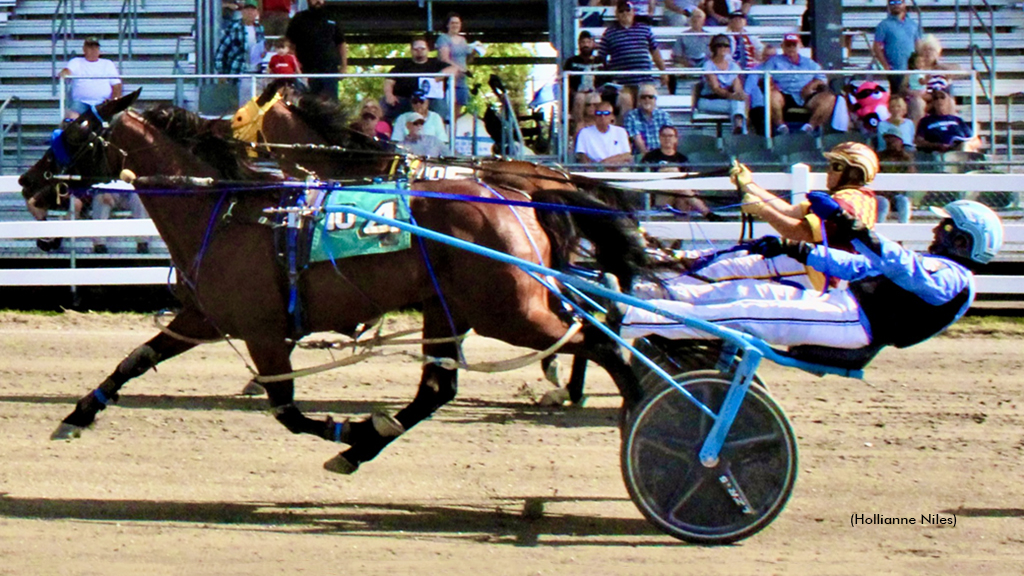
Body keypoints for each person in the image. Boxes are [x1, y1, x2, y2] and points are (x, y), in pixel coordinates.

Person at [620, 199, 1002, 351]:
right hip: (838, 305)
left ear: (964, 243)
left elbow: (902, 266)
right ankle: (638, 297)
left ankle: (622, 321)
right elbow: (857, 266)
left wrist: (846, 222)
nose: (938, 231)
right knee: (735, 295)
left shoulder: (954, 279)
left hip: (853, 323)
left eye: (947, 228)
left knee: (739, 315)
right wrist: (794, 249)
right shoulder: (934, 267)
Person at [666, 142, 881, 290]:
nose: (828, 171)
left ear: (854, 172)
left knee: (724, 269)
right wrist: (749, 185)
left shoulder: (846, 201)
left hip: (814, 272)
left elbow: (800, 232)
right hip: (810, 265)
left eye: (836, 166)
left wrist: (762, 209)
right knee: (726, 259)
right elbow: (790, 211)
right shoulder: (856, 197)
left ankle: (664, 293)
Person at [597, 0, 667, 115]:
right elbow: (601, 58)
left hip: (644, 79)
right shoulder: (609, 33)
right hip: (621, 81)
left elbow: (655, 51)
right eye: (621, 11)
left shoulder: (644, 29)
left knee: (646, 101)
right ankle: (626, 132)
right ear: (617, 14)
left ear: (633, 12)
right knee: (626, 103)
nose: (625, 13)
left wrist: (663, 72)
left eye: (627, 10)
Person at [761, 33, 834, 134]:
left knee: (829, 98)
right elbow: (764, 77)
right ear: (782, 46)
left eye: (793, 45)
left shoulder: (810, 63)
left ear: (799, 46)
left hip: (805, 95)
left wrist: (811, 86)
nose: (791, 48)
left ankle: (810, 127)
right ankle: (781, 127)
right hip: (783, 94)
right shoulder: (773, 61)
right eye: (788, 45)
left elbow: (822, 79)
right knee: (771, 95)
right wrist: (771, 85)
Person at [641, 125, 714, 218]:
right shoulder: (650, 157)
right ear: (659, 138)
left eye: (670, 136)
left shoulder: (682, 159)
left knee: (682, 198)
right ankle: (706, 213)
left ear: (676, 139)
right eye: (664, 136)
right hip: (659, 197)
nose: (667, 139)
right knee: (674, 173)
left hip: (680, 195)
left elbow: (690, 181)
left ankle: (684, 229)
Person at [382, 36, 459, 121]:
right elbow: (389, 81)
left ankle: (439, 130)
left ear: (427, 50)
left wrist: (441, 74)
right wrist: (389, 94)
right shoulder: (402, 65)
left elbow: (454, 69)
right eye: (416, 49)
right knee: (384, 102)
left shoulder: (436, 64)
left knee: (440, 103)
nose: (419, 51)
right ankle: (384, 131)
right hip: (407, 100)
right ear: (411, 50)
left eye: (422, 48)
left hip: (431, 100)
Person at [285, 0, 347, 100]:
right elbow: (289, 44)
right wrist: (295, 67)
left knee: (330, 106)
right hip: (306, 72)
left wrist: (344, 66)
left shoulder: (332, 17)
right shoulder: (298, 19)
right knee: (307, 106)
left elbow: (341, 43)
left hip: (329, 72)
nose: (318, 1)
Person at [215, 0, 265, 106]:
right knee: (239, 105)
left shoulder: (260, 29)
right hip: (239, 72)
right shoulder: (234, 28)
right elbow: (221, 51)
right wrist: (221, 72)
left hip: (256, 72)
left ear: (256, 12)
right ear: (242, 12)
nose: (250, 12)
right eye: (247, 10)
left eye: (252, 10)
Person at [58, 38, 123, 120]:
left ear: (99, 50)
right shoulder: (76, 62)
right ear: (84, 50)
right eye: (90, 47)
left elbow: (116, 85)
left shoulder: (107, 64)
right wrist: (64, 72)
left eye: (95, 48)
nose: (93, 50)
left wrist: (113, 102)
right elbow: (67, 70)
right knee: (71, 117)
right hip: (81, 102)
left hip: (102, 103)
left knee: (117, 119)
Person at [698, 34, 747, 135]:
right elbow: (715, 88)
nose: (722, 48)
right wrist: (732, 96)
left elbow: (737, 86)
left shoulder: (733, 66)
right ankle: (741, 132)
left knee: (738, 104)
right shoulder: (708, 65)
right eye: (719, 46)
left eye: (725, 46)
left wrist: (739, 95)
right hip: (709, 100)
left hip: (728, 100)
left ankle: (738, 129)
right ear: (714, 48)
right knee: (738, 106)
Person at [914, 83, 982, 153]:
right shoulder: (925, 121)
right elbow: (919, 141)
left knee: (963, 147)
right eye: (936, 98)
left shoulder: (957, 120)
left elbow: (976, 140)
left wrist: (968, 145)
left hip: (960, 149)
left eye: (942, 97)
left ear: (947, 101)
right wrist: (937, 146)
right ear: (933, 103)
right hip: (938, 152)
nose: (939, 100)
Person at [872, 0, 920, 97]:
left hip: (911, 70)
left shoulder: (913, 24)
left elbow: (918, 44)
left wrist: (919, 64)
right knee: (897, 97)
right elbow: (876, 47)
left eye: (898, 1)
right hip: (895, 69)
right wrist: (886, 66)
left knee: (913, 97)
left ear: (904, 4)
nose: (895, 5)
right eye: (892, 2)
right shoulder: (883, 25)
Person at [90, 188, 150, 254]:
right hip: (110, 191)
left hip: (130, 193)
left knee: (139, 197)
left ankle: (142, 243)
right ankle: (99, 245)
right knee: (101, 198)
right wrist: (104, 190)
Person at [435, 12, 473, 110]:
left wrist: (475, 51)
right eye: (452, 23)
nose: (455, 25)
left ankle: (455, 125)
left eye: (457, 23)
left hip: (461, 79)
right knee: (447, 107)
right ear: (447, 25)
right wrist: (459, 68)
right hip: (448, 79)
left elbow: (467, 60)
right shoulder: (443, 38)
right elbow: (444, 58)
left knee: (459, 107)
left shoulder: (463, 40)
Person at [575, 100, 633, 164]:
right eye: (599, 114)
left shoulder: (621, 131)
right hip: (594, 170)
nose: (602, 117)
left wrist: (606, 162)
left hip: (618, 169)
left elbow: (626, 155)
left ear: (612, 116)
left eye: (606, 113)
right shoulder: (584, 133)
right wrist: (599, 167)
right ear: (595, 116)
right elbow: (582, 156)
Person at [623, 84, 673, 154]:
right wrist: (648, 158)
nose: (647, 100)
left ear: (655, 99)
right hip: (641, 157)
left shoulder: (664, 115)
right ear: (639, 100)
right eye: (643, 97)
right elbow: (637, 141)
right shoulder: (631, 116)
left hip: (662, 154)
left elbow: (669, 139)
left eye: (650, 97)